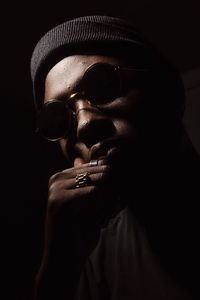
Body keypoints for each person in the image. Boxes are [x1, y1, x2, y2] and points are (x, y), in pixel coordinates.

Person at [30, 15, 200, 300]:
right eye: (58, 119)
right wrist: (58, 272)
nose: (84, 125)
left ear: (169, 92)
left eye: (103, 85)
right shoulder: (94, 260)